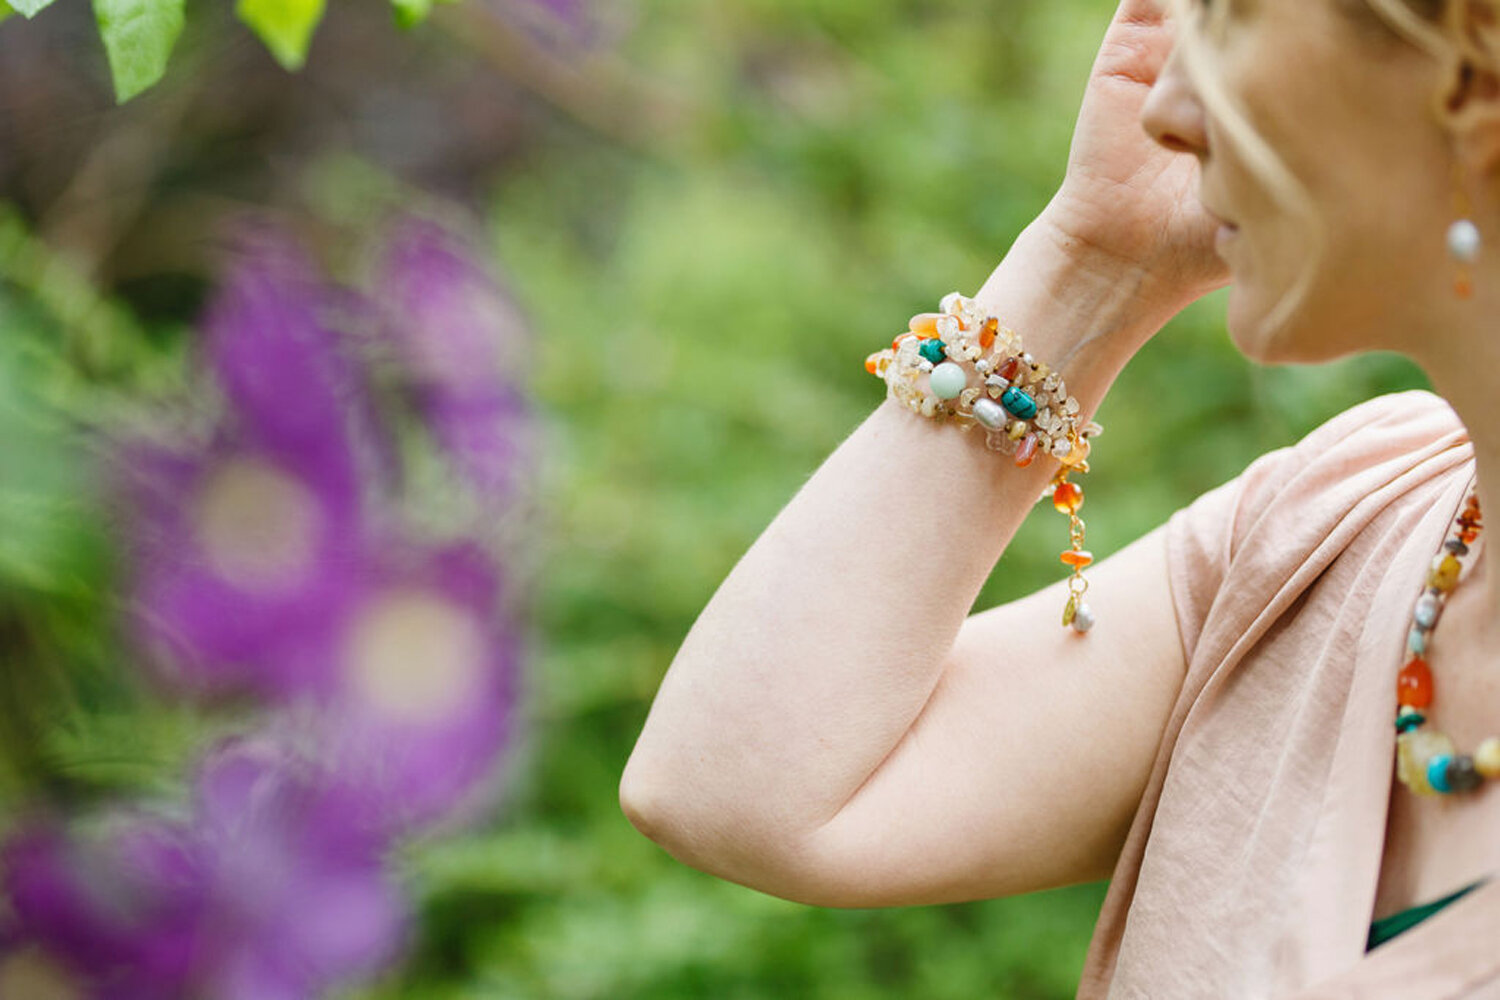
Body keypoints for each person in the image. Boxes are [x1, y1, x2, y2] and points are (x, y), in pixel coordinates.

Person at [619, 0, 1500, 993]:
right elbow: (735, 787)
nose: (1165, 108)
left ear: (1471, 72)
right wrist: (1099, 263)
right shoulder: (1343, 523)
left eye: (1231, 16)